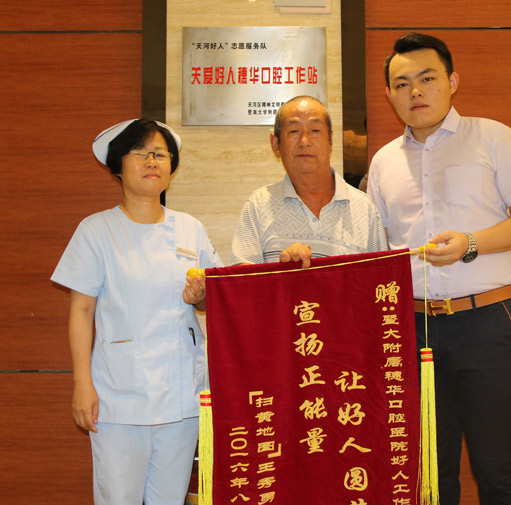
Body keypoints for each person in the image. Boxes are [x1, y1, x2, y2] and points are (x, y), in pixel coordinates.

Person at [367, 33, 511, 505]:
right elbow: (378, 251)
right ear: (389, 94)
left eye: (427, 78)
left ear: (452, 81)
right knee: (429, 472)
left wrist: (471, 243)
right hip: (413, 329)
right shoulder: (383, 162)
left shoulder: (493, 137)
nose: (415, 91)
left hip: (487, 322)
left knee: (499, 468)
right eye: (402, 84)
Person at [51, 119, 223, 505]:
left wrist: (200, 297)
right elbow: (81, 311)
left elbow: (213, 300)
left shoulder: (190, 229)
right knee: (117, 498)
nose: (151, 161)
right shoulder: (96, 230)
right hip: (118, 395)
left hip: (181, 393)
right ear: (118, 166)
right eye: (140, 153)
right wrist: (82, 384)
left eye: (160, 154)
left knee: (170, 498)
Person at [231, 95, 388, 267]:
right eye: (294, 131)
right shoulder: (258, 205)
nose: (304, 141)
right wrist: (284, 270)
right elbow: (240, 279)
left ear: (330, 141)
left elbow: (381, 276)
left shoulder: (365, 209)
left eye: (315, 130)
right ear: (276, 144)